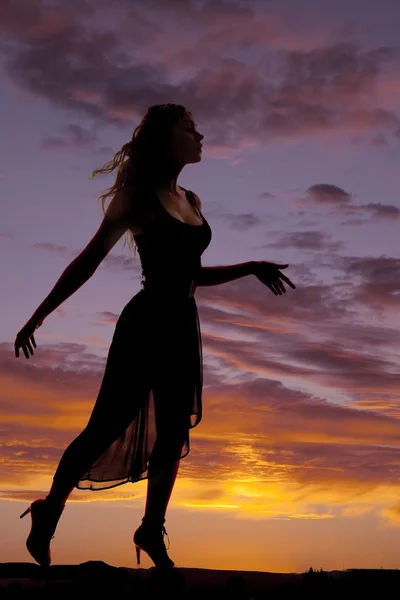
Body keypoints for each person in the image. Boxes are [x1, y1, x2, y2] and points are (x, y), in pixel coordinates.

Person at [14, 103, 296, 570]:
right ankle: (50, 509)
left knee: (173, 433)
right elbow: (88, 261)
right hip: (144, 326)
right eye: (191, 129)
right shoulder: (137, 199)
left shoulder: (193, 199)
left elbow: (193, 275)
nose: (201, 136)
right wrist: (39, 315)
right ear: (168, 139)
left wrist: (250, 266)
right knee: (104, 428)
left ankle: (150, 527)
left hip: (183, 326)